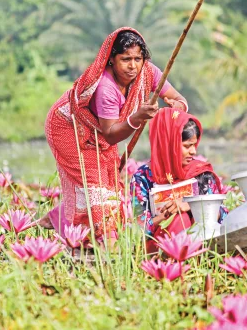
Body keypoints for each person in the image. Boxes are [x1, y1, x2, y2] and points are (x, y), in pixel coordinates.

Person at [39, 27, 188, 248]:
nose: (133, 66)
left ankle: (58, 218)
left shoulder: (148, 72)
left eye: (138, 58)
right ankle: (106, 245)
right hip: (68, 128)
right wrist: (136, 118)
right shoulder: (105, 89)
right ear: (111, 60)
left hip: (100, 130)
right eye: (125, 59)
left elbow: (177, 98)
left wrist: (178, 105)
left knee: (109, 182)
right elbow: (110, 136)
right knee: (96, 184)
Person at [130, 107, 227, 253]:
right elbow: (138, 228)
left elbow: (224, 217)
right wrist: (166, 216)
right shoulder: (142, 178)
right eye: (187, 146)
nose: (193, 151)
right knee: (178, 219)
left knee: (186, 217)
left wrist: (192, 206)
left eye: (194, 145)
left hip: (206, 247)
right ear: (168, 143)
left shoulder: (202, 174)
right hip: (160, 250)